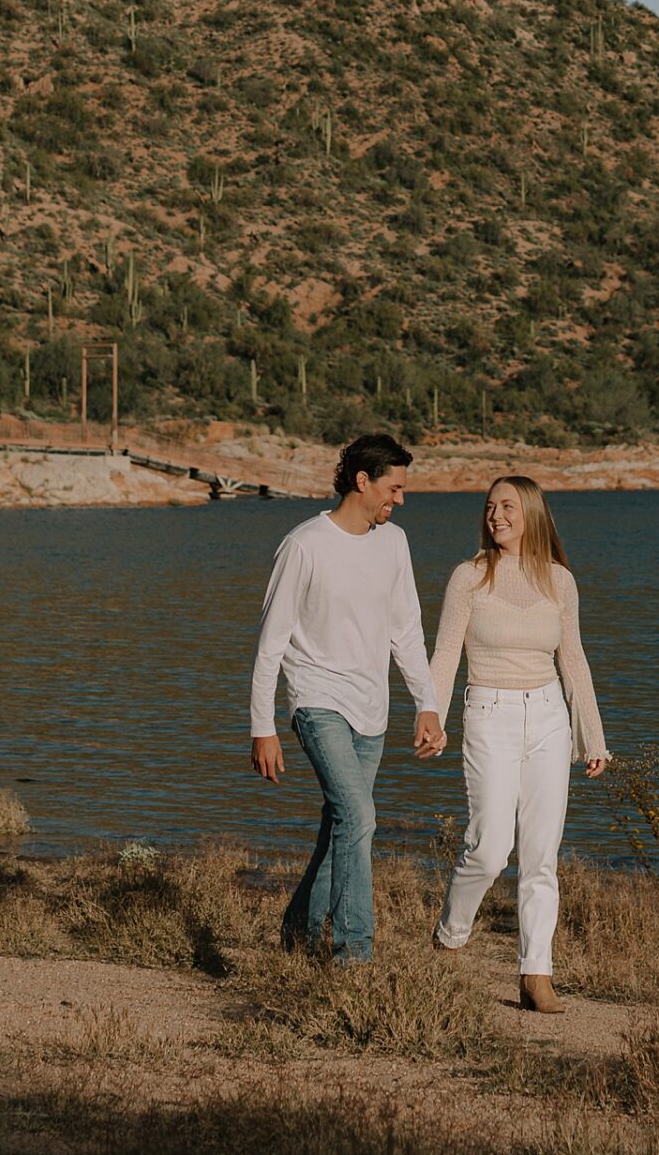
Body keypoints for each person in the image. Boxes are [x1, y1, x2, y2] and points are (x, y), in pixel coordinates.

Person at [249, 430, 443, 963]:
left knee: (341, 827)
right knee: (359, 816)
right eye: (394, 488)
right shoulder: (304, 545)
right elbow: (271, 642)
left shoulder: (394, 543)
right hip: (318, 702)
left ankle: (296, 931)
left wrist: (427, 704)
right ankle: (354, 952)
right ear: (363, 481)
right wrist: (262, 727)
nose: (399, 500)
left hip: (372, 711)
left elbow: (406, 629)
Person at [428, 475, 607, 1012]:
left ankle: (536, 975)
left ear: (531, 512)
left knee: (540, 857)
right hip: (489, 714)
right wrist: (431, 716)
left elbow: (572, 658)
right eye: (489, 507)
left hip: (549, 717)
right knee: (487, 850)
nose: (495, 515)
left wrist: (591, 734)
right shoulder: (469, 577)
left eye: (507, 506)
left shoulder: (560, 581)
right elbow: (445, 655)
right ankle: (450, 935)